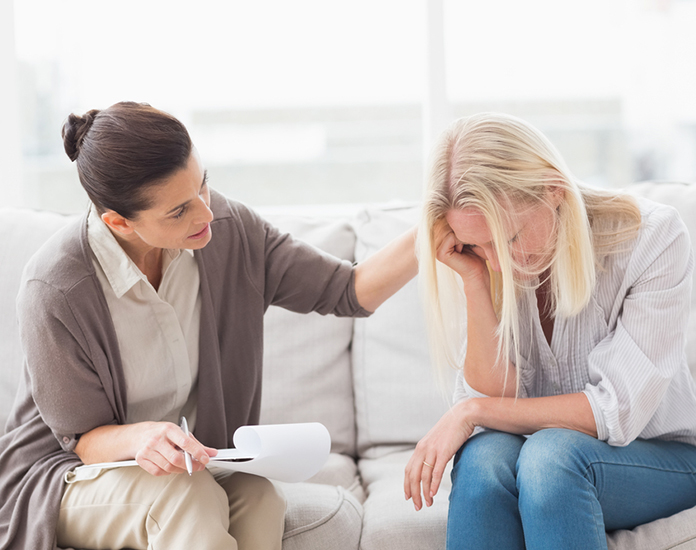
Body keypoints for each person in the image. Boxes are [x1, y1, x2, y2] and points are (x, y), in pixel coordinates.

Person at [0, 101, 418, 550]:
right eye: (179, 211)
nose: (206, 214)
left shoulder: (231, 232)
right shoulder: (56, 287)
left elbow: (347, 290)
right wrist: (143, 436)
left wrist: (435, 225)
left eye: (203, 185)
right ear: (118, 222)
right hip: (68, 477)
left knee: (257, 496)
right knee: (185, 496)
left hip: (188, 469)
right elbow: (82, 442)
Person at [404, 112, 696, 550]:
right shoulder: (487, 264)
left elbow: (614, 410)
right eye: (477, 246)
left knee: (550, 460)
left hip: (662, 458)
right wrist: (474, 280)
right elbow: (494, 394)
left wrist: (470, 411)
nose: (497, 262)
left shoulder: (653, 237)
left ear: (553, 188)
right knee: (482, 461)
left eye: (510, 238)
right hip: (544, 457)